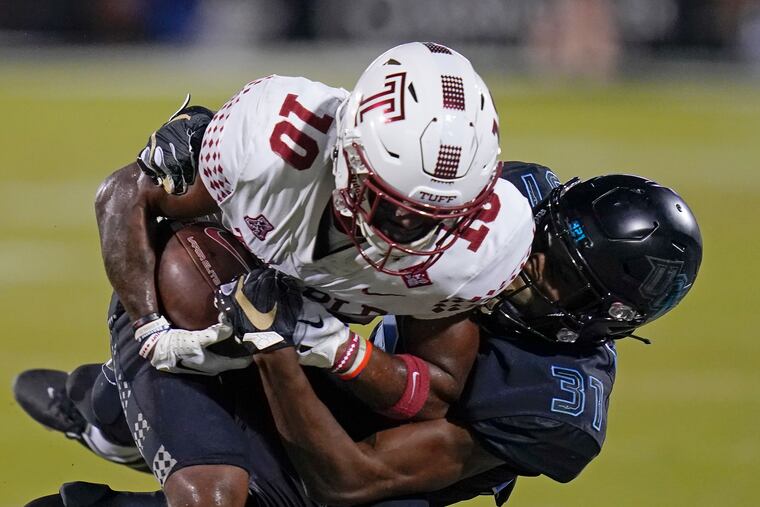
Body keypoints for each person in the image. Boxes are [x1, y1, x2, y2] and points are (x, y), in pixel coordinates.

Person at [18, 168, 702, 506]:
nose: (522, 267)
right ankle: (111, 406)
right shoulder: (506, 198)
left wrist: (282, 343)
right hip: (333, 354)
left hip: (365, 469)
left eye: (555, 282)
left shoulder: (554, 402)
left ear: (598, 317)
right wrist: (210, 150)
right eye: (538, 245)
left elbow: (352, 477)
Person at [54, 41, 534, 506]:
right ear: (348, 149)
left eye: (432, 218)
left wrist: (339, 350)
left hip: (285, 354)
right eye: (386, 202)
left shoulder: (479, 251)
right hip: (183, 313)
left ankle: (112, 411)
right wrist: (152, 328)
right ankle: (111, 414)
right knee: (213, 496)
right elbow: (123, 193)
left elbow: (433, 393)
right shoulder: (272, 143)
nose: (404, 235)